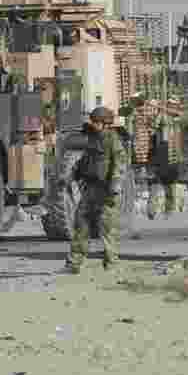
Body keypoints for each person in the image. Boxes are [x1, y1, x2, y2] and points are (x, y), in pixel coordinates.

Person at [65, 106, 128, 273]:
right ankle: (75, 262)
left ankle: (111, 263)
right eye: (92, 122)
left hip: (106, 190)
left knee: (107, 227)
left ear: (105, 124)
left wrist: (116, 184)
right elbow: (86, 160)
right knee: (81, 224)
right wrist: (73, 175)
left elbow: (120, 163)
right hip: (90, 189)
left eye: (96, 122)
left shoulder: (113, 140)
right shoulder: (93, 139)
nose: (93, 125)